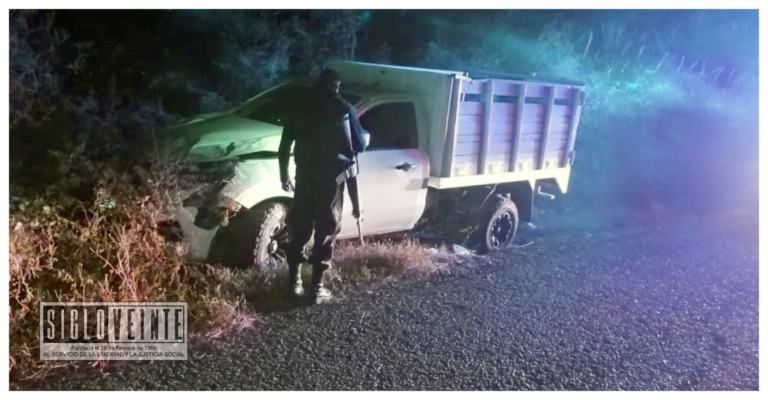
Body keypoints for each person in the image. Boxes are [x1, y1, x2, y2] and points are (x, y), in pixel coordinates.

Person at [278, 69, 365, 303]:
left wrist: (284, 175)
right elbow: (360, 144)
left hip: (305, 178)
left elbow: (284, 145)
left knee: (300, 229)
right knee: (327, 230)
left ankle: (294, 285)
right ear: (336, 86)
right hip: (331, 180)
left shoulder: (301, 106)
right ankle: (316, 289)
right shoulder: (343, 108)